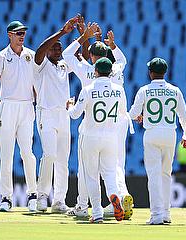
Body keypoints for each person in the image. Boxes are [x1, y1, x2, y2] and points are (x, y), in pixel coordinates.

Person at [63, 19, 134, 220]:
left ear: (93, 61)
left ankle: (91, 209)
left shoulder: (87, 77)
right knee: (113, 168)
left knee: (89, 173)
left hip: (91, 130)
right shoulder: (117, 75)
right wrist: (112, 45)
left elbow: (68, 55)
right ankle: (118, 196)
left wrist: (84, 37)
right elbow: (122, 61)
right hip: (114, 130)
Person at [0, 21, 37, 212]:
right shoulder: (1, 57)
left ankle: (33, 194)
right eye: (18, 33)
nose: (22, 36)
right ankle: (6, 198)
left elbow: (35, 85)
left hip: (27, 106)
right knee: (6, 154)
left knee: (27, 153)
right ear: (9, 35)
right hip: (7, 106)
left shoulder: (31, 56)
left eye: (23, 32)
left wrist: (39, 105)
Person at [129, 57, 186, 225]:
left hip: (152, 133)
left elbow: (133, 113)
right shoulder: (175, 90)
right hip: (170, 134)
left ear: (150, 73)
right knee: (166, 174)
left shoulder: (144, 90)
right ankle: (166, 213)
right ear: (165, 72)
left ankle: (156, 215)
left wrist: (139, 116)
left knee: (154, 176)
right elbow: (183, 116)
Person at [67, 57, 126, 223]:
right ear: (111, 72)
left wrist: (69, 105)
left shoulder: (87, 89)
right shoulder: (119, 90)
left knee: (91, 176)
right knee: (110, 174)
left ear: (95, 71)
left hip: (91, 136)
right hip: (111, 138)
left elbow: (75, 115)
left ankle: (98, 213)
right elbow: (122, 113)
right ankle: (114, 196)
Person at [34, 17, 78, 213]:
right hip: (46, 114)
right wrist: (62, 32)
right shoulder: (41, 65)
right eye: (55, 48)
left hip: (63, 115)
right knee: (49, 155)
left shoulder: (62, 65)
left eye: (60, 48)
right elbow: (39, 51)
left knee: (63, 160)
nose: (58, 50)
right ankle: (42, 196)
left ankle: (59, 200)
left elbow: (80, 58)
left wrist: (83, 36)